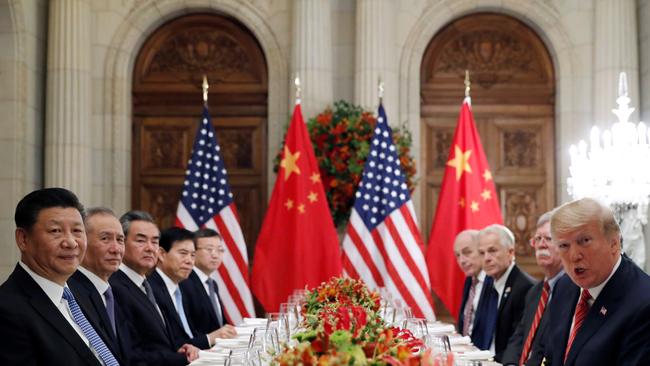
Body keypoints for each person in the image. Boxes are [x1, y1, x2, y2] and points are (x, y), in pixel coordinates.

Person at [0, 188, 120, 365]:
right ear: (23, 239)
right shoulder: (7, 310)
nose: (71, 242)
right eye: (55, 231)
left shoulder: (83, 292)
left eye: (77, 231)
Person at [543, 198, 650, 366]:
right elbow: (551, 357)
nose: (574, 256)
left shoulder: (643, 303)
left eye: (584, 241)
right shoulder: (564, 287)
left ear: (614, 243)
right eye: (564, 245)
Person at [109, 210, 199, 366]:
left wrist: (182, 349)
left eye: (155, 242)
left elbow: (157, 341)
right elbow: (132, 355)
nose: (150, 248)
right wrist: (182, 359)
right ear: (122, 243)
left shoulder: (148, 283)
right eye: (141, 241)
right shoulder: (114, 287)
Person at [149, 227, 231, 349]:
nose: (189, 261)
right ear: (161, 254)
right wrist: (209, 338)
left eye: (192, 255)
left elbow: (190, 334)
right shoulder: (151, 289)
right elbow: (169, 344)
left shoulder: (178, 288)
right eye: (183, 253)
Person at [68, 207, 132, 364]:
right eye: (105, 239)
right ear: (81, 242)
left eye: (120, 240)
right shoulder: (70, 294)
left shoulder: (116, 291)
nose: (116, 249)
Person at [502, 211, 564, 366]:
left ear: (565, 245)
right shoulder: (534, 292)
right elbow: (519, 337)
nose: (541, 244)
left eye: (549, 238)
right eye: (537, 239)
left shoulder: (573, 291)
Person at [473, 224, 535, 362]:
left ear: (510, 252)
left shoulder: (526, 288)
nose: (486, 258)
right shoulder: (489, 282)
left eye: (492, 250)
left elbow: (519, 342)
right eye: (482, 253)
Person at [180, 228, 237, 338]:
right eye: (209, 249)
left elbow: (220, 324)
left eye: (220, 250)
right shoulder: (184, 282)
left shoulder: (212, 284)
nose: (215, 255)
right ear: (193, 252)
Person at [454, 229, 492, 343]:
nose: (462, 261)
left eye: (467, 252)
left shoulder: (494, 281)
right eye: (458, 255)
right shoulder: (469, 281)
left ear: (482, 251)